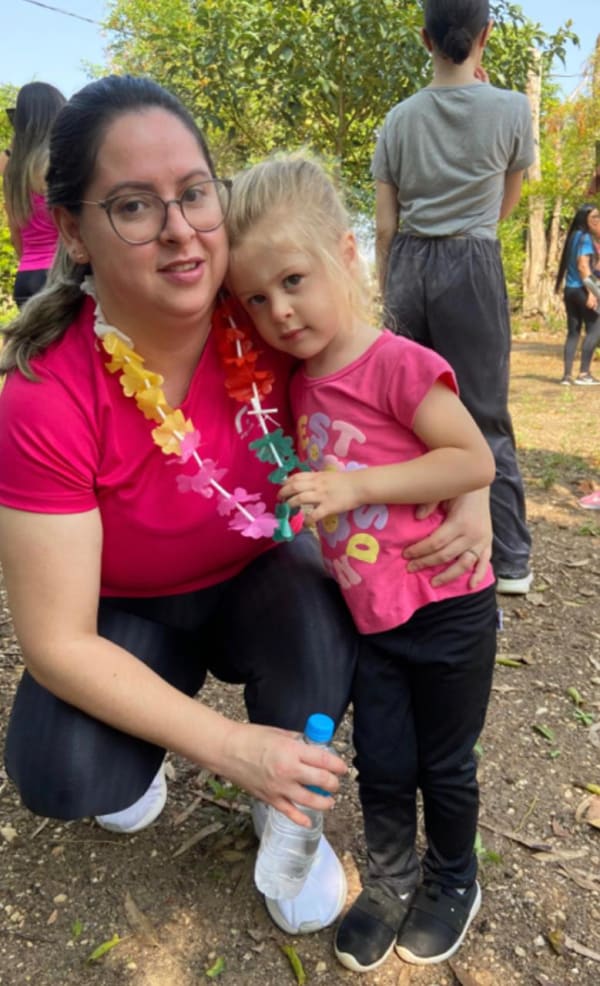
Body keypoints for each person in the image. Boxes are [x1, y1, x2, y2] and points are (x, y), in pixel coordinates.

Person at [0, 75, 491, 942]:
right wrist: (231, 751)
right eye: (134, 206)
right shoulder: (45, 396)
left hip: (260, 580)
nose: (180, 230)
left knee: (320, 615)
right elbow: (55, 640)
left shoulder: (262, 316)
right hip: (131, 613)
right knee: (64, 771)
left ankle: (286, 808)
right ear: (72, 230)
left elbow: (403, 388)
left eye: (194, 194)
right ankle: (163, 746)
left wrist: (473, 491)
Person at [227, 153, 498, 971]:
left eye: (294, 280)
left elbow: (473, 459)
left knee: (443, 765)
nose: (279, 311)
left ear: (347, 252)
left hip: (448, 605)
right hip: (372, 617)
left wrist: (356, 486)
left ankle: (453, 878)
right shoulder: (295, 382)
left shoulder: (396, 363)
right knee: (382, 762)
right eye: (257, 298)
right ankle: (388, 881)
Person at [371, 0, 535, 597]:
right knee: (485, 412)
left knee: (406, 411)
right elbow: (505, 202)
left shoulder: (399, 119)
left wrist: (388, 287)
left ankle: (407, 543)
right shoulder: (513, 109)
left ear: (425, 38)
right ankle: (510, 561)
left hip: (409, 266)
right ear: (486, 33)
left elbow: (384, 225)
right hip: (472, 262)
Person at [3, 81, 65, 307]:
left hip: (26, 278)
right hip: (59, 275)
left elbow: (16, 234)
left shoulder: (13, 173)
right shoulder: (56, 164)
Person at [554, 203, 600, 386]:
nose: (597, 220)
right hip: (582, 289)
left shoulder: (573, 236)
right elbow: (582, 266)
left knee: (573, 332)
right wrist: (592, 292)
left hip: (570, 290)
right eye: (594, 217)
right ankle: (584, 374)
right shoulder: (585, 238)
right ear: (584, 219)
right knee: (595, 328)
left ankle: (567, 376)